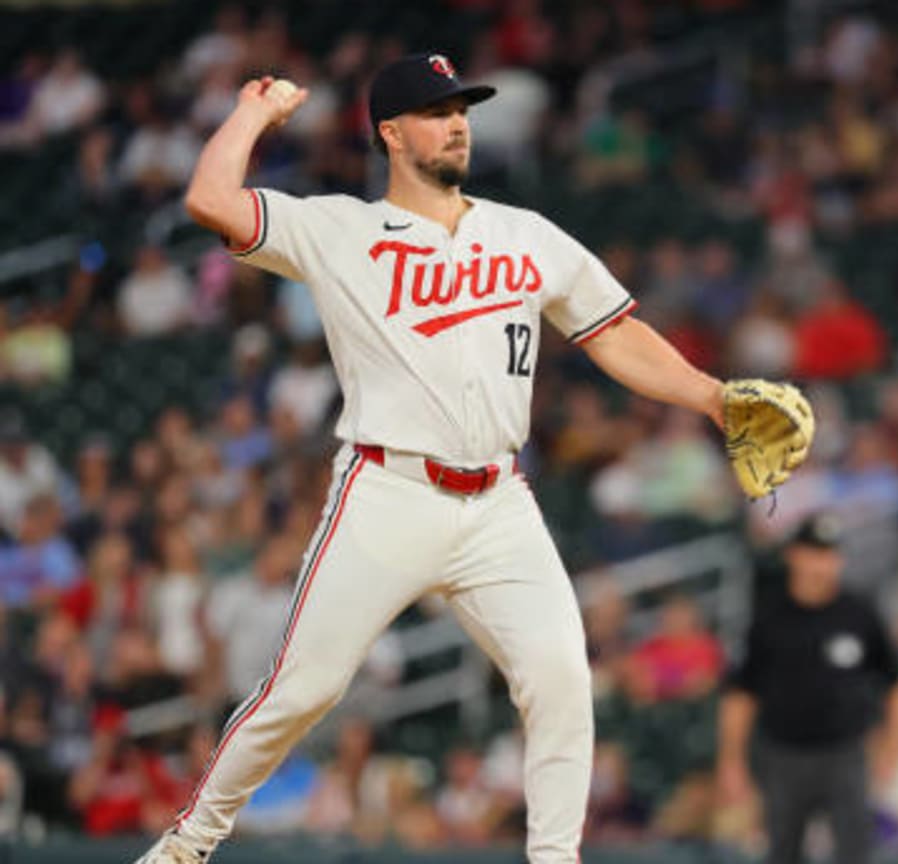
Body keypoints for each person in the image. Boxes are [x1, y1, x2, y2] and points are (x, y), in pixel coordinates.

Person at [137, 53, 788, 863]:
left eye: (464, 111)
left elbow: (615, 333)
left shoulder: (526, 234)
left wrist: (714, 398)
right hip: (387, 490)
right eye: (438, 111)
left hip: (498, 502)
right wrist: (251, 117)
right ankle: (188, 844)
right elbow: (209, 199)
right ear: (390, 133)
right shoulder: (341, 229)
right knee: (302, 690)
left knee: (560, 677)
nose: (458, 124)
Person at [716, 513, 898, 864]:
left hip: (845, 753)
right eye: (813, 553)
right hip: (783, 756)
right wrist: (732, 761)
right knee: (783, 850)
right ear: (793, 555)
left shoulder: (859, 612)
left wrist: (895, 745)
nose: (821, 564)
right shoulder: (769, 615)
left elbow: (896, 683)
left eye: (829, 554)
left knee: (855, 849)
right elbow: (741, 693)